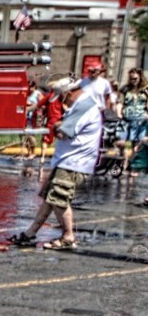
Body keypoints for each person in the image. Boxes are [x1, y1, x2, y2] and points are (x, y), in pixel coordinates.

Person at [9, 72, 104, 250]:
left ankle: (68, 236)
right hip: (66, 161)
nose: (62, 102)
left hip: (74, 162)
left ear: (68, 93)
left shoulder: (83, 107)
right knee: (50, 198)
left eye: (62, 98)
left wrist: (54, 125)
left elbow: (62, 132)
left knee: (59, 200)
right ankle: (30, 233)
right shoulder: (83, 105)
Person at [117, 67, 146, 179]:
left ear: (140, 76)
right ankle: (125, 163)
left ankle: (134, 166)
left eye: (135, 78)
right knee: (127, 143)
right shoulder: (125, 89)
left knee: (139, 144)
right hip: (127, 120)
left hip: (141, 121)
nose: (133, 80)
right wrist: (119, 113)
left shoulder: (145, 89)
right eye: (131, 78)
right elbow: (120, 102)